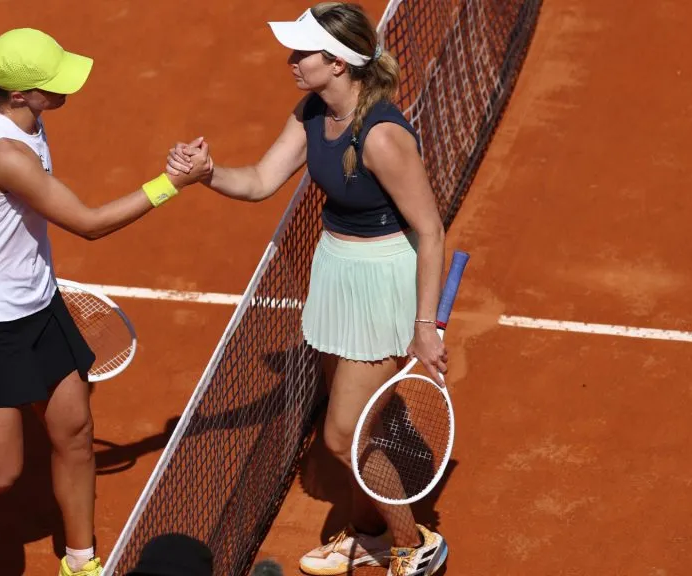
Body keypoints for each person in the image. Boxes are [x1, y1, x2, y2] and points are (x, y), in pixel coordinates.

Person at [0, 28, 210, 576]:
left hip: (39, 308)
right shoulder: (4, 153)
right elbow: (89, 224)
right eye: (49, 85)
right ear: (19, 95)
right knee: (0, 472)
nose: (62, 90)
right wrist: (172, 182)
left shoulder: (31, 118)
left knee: (74, 433)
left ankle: (80, 563)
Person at [167, 3, 448, 576]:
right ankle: (368, 533)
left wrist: (423, 327)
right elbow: (261, 181)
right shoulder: (312, 111)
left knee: (343, 435)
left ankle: (412, 545)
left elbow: (430, 229)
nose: (292, 61)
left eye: (304, 53)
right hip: (336, 272)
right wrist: (208, 174)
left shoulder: (383, 136)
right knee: (356, 423)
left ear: (340, 63)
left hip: (383, 281)